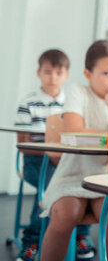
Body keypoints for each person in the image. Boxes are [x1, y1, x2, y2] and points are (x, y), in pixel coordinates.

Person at [40, 40, 108, 261]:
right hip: (73, 175)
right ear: (88, 74)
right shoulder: (78, 92)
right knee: (66, 214)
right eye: (106, 73)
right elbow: (75, 131)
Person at [14, 49, 95, 261]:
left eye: (58, 73)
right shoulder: (28, 103)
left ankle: (79, 235)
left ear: (66, 75)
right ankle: (31, 242)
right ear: (38, 72)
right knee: (52, 187)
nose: (53, 77)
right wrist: (50, 151)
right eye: (48, 72)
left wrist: (59, 154)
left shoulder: (71, 104)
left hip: (66, 160)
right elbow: (22, 144)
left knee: (83, 182)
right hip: (36, 161)